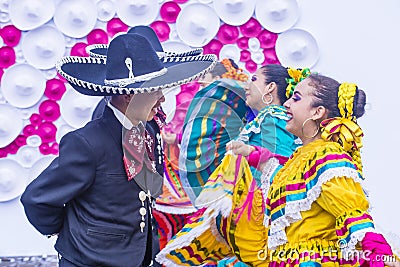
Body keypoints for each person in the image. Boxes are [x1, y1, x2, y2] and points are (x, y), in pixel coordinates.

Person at [162, 72, 400, 266]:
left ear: (317, 112)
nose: (286, 102)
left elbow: (354, 215)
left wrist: (381, 256)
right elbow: (283, 176)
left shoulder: (327, 156)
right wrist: (252, 157)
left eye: (296, 98)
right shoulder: (302, 156)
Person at [20, 33, 217, 267]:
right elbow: (37, 200)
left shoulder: (149, 130)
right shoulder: (87, 143)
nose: (162, 99)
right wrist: (75, 235)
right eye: (155, 91)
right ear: (128, 95)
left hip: (140, 256)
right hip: (92, 260)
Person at [156, 65, 309, 266]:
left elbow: (280, 164)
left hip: (261, 217)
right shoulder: (265, 118)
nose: (248, 84)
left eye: (254, 79)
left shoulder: (276, 119)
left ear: (270, 88)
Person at [154, 58, 251, 250]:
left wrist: (177, 140)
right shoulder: (228, 101)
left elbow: (208, 135)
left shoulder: (221, 101)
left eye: (204, 79)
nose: (200, 84)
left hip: (223, 169)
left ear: (217, 79)